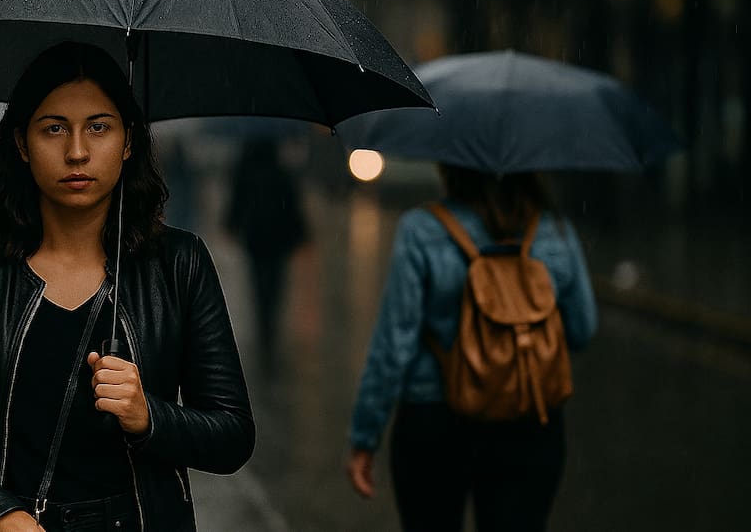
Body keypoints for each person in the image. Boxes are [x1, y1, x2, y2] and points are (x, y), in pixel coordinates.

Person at [0, 42, 255, 532]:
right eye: (54, 128)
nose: (77, 151)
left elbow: (232, 434)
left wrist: (149, 417)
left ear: (128, 143)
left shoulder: (179, 264)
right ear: (21, 143)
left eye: (99, 127)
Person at [344, 164, 598, 532]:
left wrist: (365, 437)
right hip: (529, 418)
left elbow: (393, 346)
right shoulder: (556, 231)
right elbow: (582, 330)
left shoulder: (422, 229)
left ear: (451, 165)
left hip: (435, 422)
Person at [224, 138, 307, 362]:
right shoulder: (281, 173)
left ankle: (264, 324)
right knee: (274, 284)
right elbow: (293, 208)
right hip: (277, 241)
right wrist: (301, 235)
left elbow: (237, 204)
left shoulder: (247, 174)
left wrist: (232, 225)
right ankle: (268, 325)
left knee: (259, 283)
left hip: (256, 241)